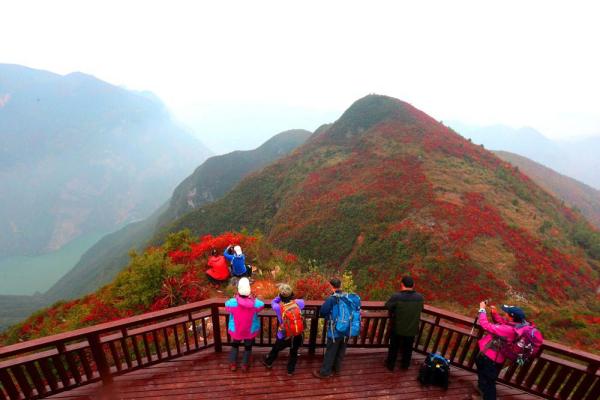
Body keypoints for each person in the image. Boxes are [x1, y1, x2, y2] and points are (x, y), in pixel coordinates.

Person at [473, 302, 526, 400]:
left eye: (507, 313)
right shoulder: (517, 325)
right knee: (485, 376)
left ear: (512, 317)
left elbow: (485, 325)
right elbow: (502, 321)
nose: (504, 314)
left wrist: (482, 310)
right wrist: (494, 313)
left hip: (491, 359)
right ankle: (481, 389)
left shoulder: (509, 330)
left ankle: (488, 396)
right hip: (495, 358)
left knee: (490, 383)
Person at [313, 277, 355, 379]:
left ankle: (325, 372)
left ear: (332, 286)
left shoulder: (332, 299)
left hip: (335, 330)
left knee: (331, 351)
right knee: (341, 350)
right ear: (340, 286)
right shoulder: (347, 297)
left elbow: (323, 312)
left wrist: (329, 317)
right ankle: (337, 369)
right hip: (346, 329)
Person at [261, 284, 305, 375]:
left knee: (276, 349)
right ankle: (290, 371)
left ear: (281, 296)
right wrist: (292, 297)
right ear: (291, 294)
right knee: (293, 352)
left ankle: (268, 362)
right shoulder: (298, 303)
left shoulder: (278, 307)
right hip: (297, 334)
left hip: (284, 334)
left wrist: (279, 297)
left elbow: (273, 301)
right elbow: (301, 301)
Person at [384, 276, 424, 371]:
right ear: (413, 285)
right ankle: (405, 365)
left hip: (398, 327)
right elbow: (421, 308)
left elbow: (388, 306)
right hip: (412, 328)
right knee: (408, 348)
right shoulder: (419, 297)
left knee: (394, 347)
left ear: (402, 284)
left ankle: (391, 365)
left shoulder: (397, 296)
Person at [225, 277, 264, 372]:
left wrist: (236, 297)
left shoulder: (233, 302)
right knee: (248, 347)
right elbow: (262, 304)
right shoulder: (255, 303)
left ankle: (233, 364)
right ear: (249, 290)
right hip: (249, 330)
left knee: (235, 345)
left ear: (239, 290)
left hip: (237, 330)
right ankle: (244, 365)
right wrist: (252, 298)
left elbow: (226, 305)